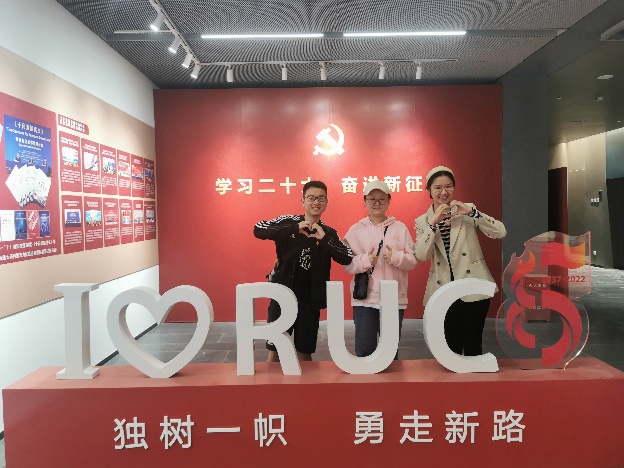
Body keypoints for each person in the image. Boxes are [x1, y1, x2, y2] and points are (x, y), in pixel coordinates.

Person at [254, 180, 353, 362]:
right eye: (311, 198)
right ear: (303, 200)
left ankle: (307, 382)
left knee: (305, 351)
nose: (316, 202)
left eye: (321, 198)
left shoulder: (329, 233)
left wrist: (325, 240)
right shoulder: (289, 221)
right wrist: (294, 228)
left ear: (326, 202)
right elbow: (259, 229)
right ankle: (270, 381)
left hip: (310, 299)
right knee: (275, 348)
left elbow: (347, 257)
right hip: (282, 294)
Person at [414, 166, 506, 356]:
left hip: (473, 286)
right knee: (451, 347)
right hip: (443, 289)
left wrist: (473, 213)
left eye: (448, 186)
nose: (444, 192)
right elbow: (421, 255)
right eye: (437, 187)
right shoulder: (423, 221)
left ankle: (474, 376)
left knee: (473, 345)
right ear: (429, 190)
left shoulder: (467, 210)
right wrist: (433, 224)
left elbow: (500, 232)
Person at [342, 180, 417, 358]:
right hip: (365, 300)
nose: (377, 203)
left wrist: (396, 257)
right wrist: (365, 260)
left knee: (390, 353)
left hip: (394, 299)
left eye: (382, 199)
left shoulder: (400, 228)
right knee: (365, 350)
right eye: (372, 199)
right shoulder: (355, 230)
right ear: (365, 201)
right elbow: (347, 263)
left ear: (389, 200)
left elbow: (413, 260)